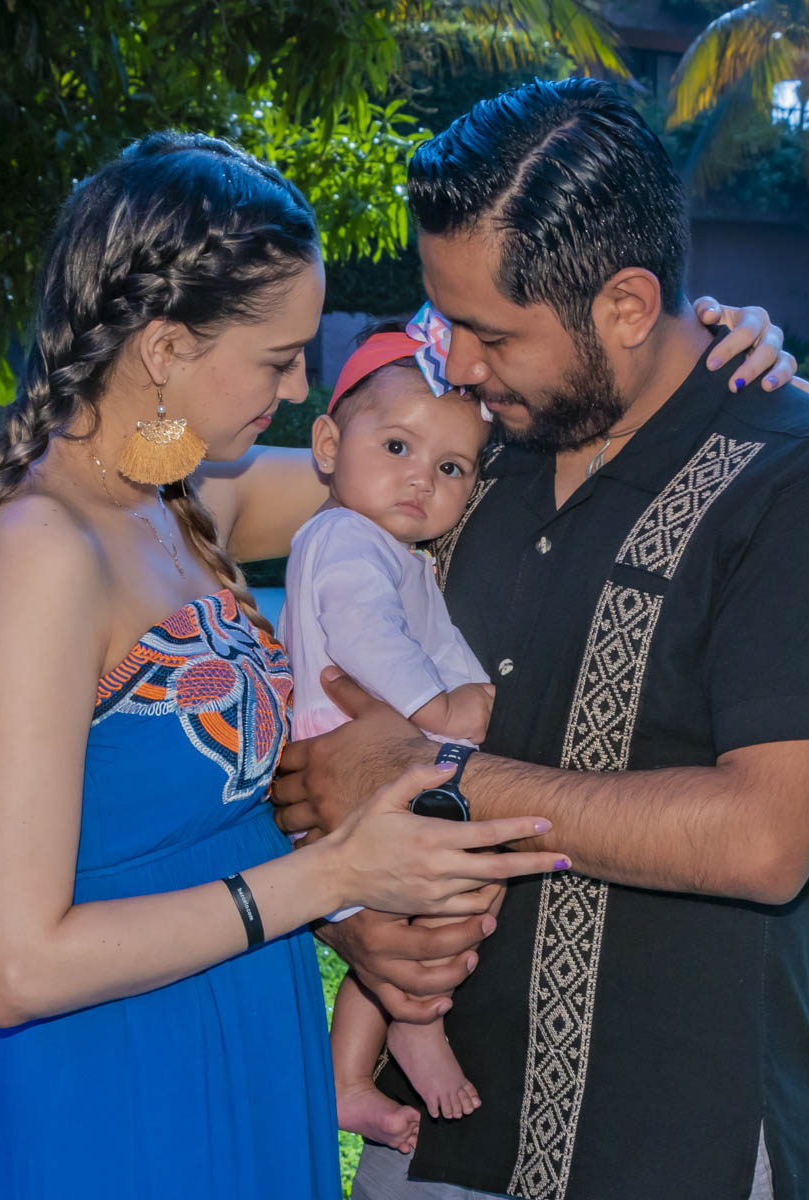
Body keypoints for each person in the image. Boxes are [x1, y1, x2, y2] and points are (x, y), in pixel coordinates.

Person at [272, 79, 809, 1200]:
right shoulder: (463, 466)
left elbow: (764, 838)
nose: (456, 365)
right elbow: (322, 759)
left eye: (490, 332)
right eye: (445, 320)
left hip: (669, 1146)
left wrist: (437, 775)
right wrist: (354, 924)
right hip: (432, 1140)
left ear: (626, 305)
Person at [0, 132, 572, 1200]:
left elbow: (426, 466)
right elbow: (15, 967)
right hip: (127, 1095)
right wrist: (335, 876)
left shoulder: (188, 498)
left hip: (250, 1042)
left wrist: (713, 374)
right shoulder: (47, 551)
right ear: (165, 348)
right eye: (277, 359)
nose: (302, 385)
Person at [279, 319, 501, 1155]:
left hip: (363, 768)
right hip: (346, 769)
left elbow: (435, 640)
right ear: (329, 445)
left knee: (406, 918)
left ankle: (350, 1075)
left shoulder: (395, 551)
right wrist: (439, 710)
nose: (421, 480)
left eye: (451, 468)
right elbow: (367, 635)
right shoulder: (344, 540)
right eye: (398, 447)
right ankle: (414, 1027)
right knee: (421, 913)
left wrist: (471, 692)